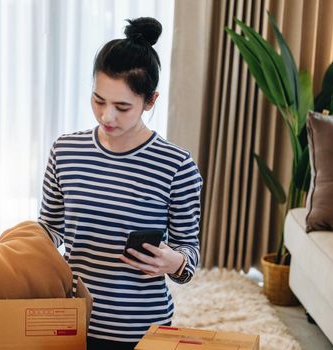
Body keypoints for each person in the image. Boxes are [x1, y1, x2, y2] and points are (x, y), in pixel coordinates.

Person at [38, 17, 202, 350]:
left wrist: (176, 262)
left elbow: (189, 253)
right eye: (98, 100)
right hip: (72, 322)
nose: (106, 116)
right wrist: (18, 246)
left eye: (122, 107)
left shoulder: (176, 166)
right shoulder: (65, 150)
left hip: (142, 332)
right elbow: (50, 229)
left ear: (151, 101)